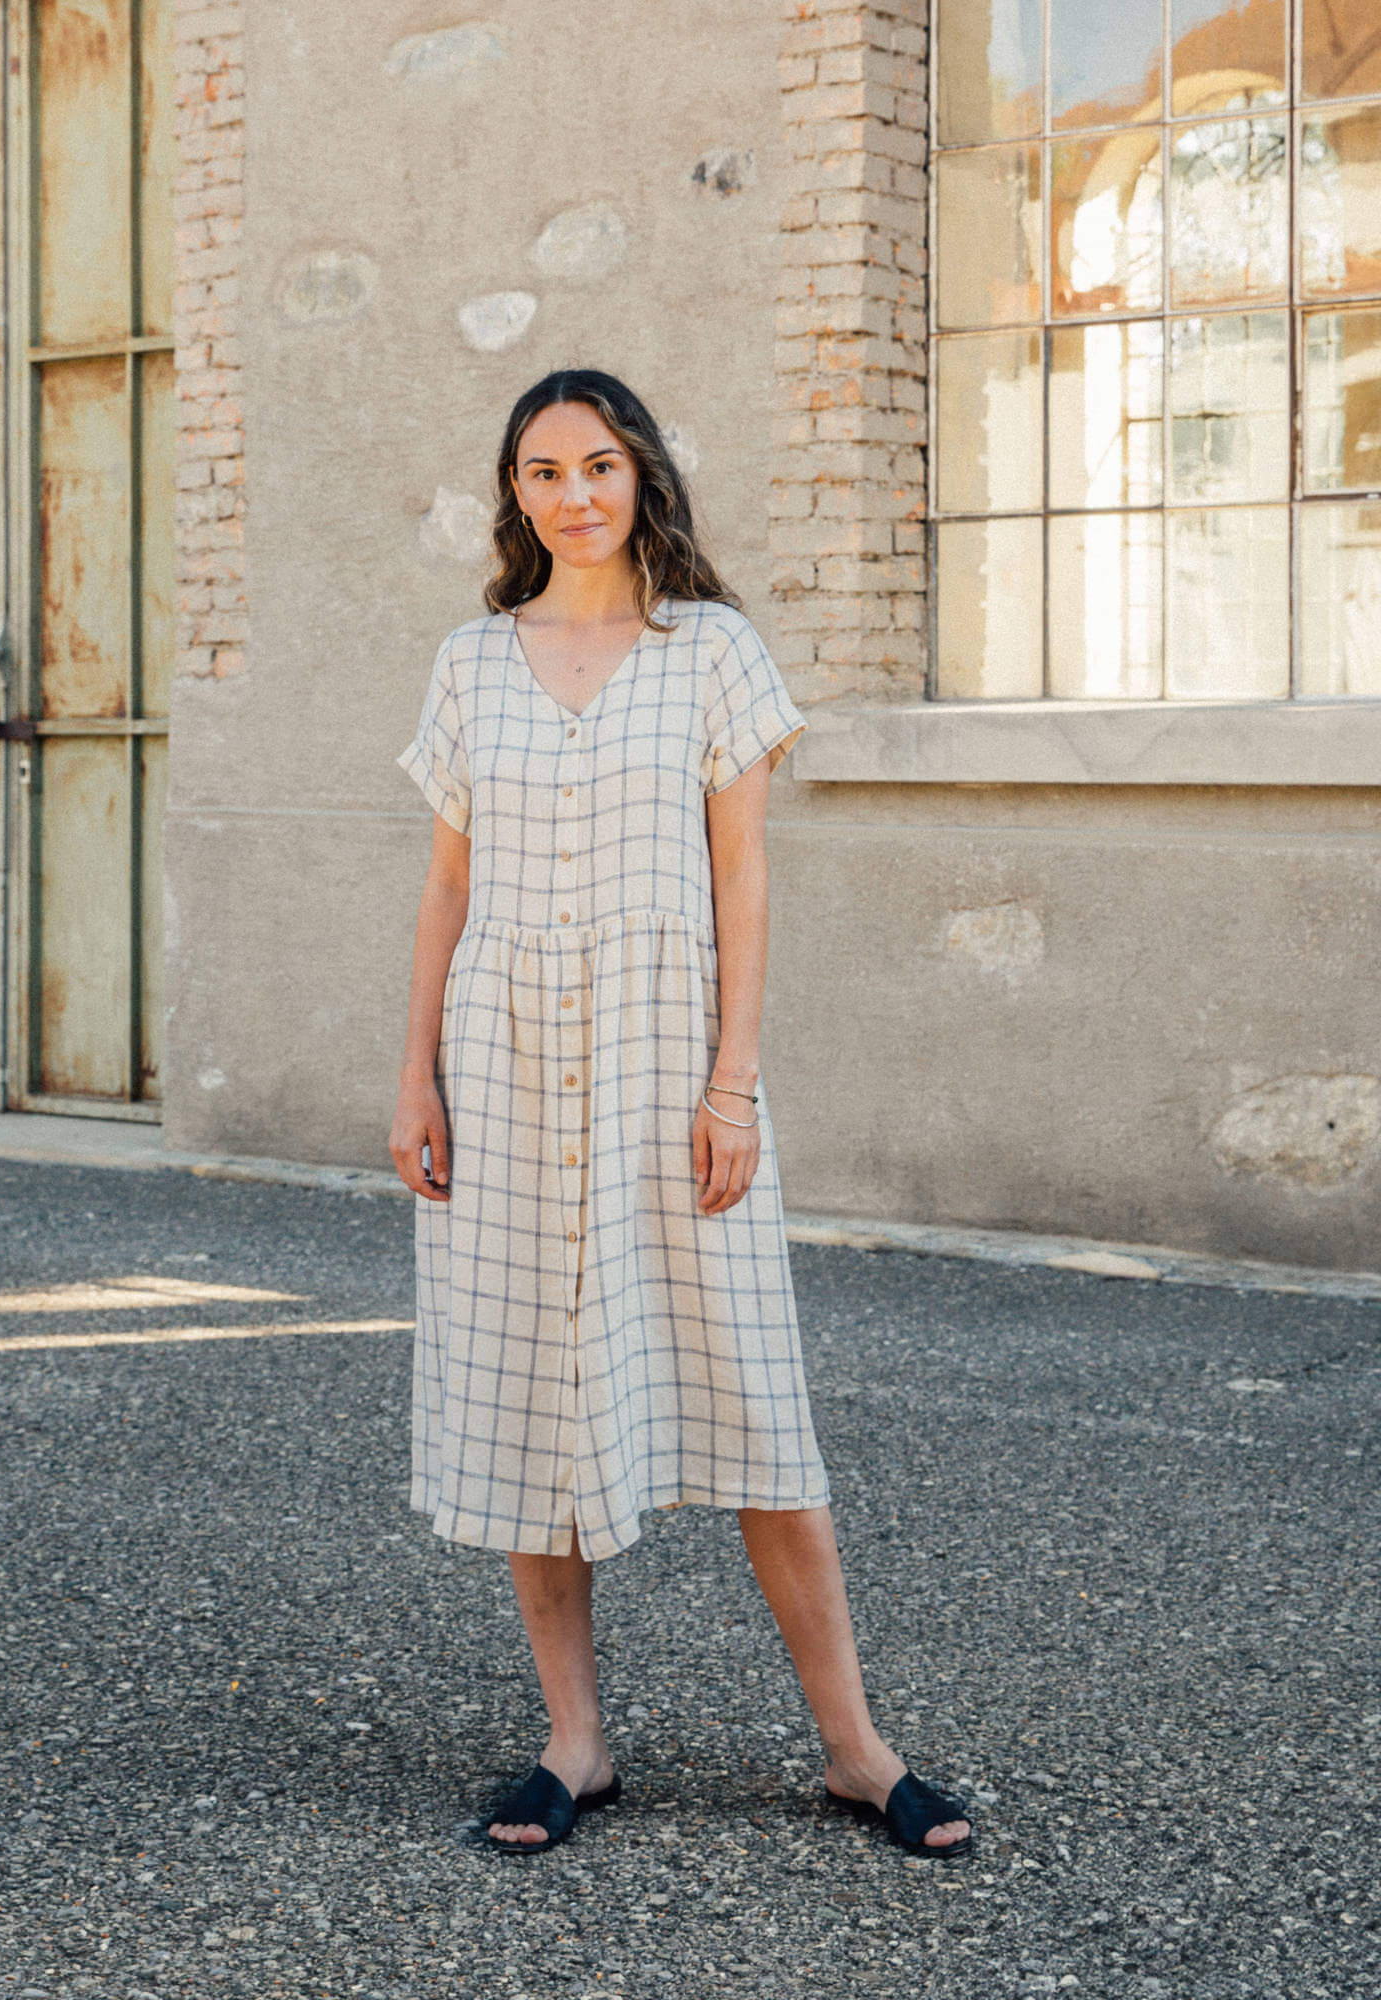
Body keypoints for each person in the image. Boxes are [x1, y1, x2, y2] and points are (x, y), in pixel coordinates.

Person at [390, 369, 973, 1862]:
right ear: (513, 495)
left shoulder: (712, 651)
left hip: (667, 1066)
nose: (572, 495)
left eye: (597, 465)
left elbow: (743, 885)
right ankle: (572, 1744)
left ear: (642, 474)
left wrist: (734, 1083)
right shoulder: (471, 661)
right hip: (503, 1061)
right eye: (541, 473)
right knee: (531, 1402)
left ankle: (855, 1748)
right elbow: (448, 891)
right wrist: (413, 1080)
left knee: (755, 1409)